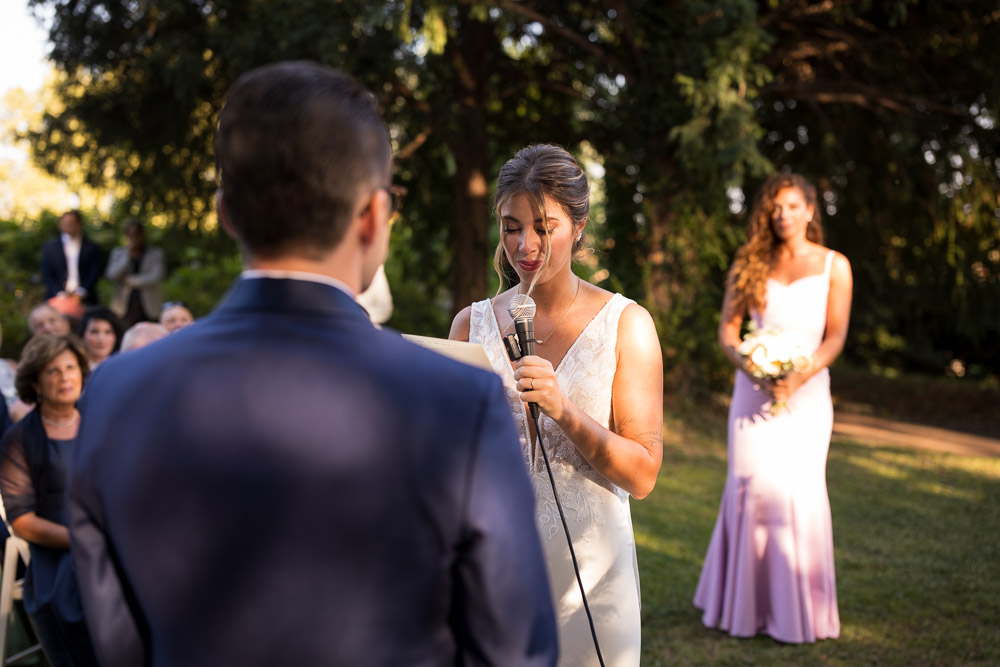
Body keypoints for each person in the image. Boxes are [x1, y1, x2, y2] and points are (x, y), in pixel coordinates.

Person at [68, 61, 558, 666]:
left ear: (225, 211)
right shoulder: (459, 403)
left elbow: (115, 643)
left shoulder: (114, 391)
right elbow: (513, 653)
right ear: (376, 216)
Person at [450, 144, 664, 666]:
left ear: (580, 224)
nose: (526, 245)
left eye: (545, 227)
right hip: (493, 565)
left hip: (591, 571)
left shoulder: (626, 325)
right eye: (511, 226)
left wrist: (564, 410)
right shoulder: (468, 326)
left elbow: (642, 475)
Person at [693, 172, 853, 643]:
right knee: (749, 487)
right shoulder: (751, 260)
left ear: (809, 210)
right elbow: (728, 328)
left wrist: (798, 376)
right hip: (752, 391)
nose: (783, 215)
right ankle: (741, 610)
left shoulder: (834, 266)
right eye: (775, 207)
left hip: (807, 394)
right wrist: (750, 364)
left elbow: (836, 335)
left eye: (792, 206)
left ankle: (797, 613)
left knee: (798, 492)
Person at [0, 335, 99, 666]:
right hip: (60, 569)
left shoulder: (101, 421)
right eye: (53, 371)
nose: (65, 377)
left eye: (71, 368)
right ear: (35, 382)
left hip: (113, 554)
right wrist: (84, 541)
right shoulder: (19, 439)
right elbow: (22, 520)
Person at [105, 218, 166, 330]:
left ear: (143, 235)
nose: (134, 238)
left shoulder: (155, 253)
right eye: (131, 234)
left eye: (137, 234)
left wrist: (129, 280)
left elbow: (155, 277)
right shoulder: (119, 253)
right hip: (123, 308)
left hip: (149, 306)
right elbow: (111, 275)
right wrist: (127, 256)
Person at [40, 210, 104, 309]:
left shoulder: (92, 247)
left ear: (79, 224)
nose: (68, 225)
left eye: (71, 223)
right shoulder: (50, 247)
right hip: (57, 298)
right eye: (65, 223)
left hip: (86, 299)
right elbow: (47, 273)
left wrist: (81, 292)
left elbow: (95, 272)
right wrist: (60, 294)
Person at [77, 306, 122, 371]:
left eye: (108, 332)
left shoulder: (123, 368)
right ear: (82, 334)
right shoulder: (75, 368)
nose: (101, 338)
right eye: (94, 332)